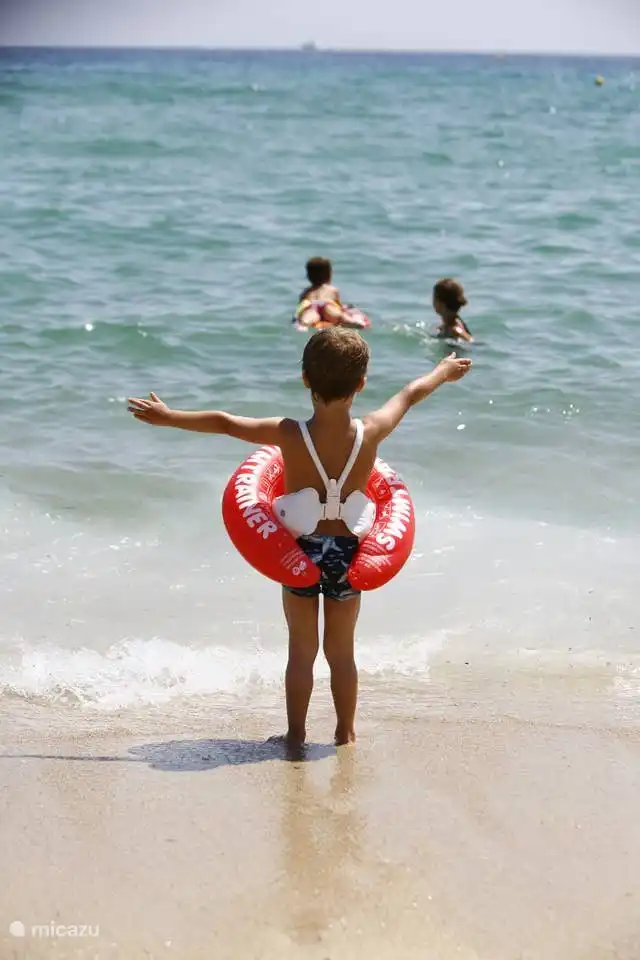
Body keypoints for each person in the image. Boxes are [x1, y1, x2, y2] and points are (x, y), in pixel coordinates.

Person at [128, 328, 472, 747]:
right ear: (361, 383)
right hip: (348, 554)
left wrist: (169, 417)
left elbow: (226, 422)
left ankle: (296, 734)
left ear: (305, 379)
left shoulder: (290, 434)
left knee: (301, 652)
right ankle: (345, 733)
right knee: (342, 654)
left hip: (300, 555)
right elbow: (410, 393)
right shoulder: (374, 430)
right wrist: (444, 370)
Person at [295, 256, 351, 328]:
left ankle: (305, 323)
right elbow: (338, 305)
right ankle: (354, 322)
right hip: (327, 304)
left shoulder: (305, 292)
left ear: (308, 276)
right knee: (340, 317)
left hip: (311, 306)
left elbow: (300, 307)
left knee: (305, 321)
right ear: (329, 275)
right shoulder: (333, 289)